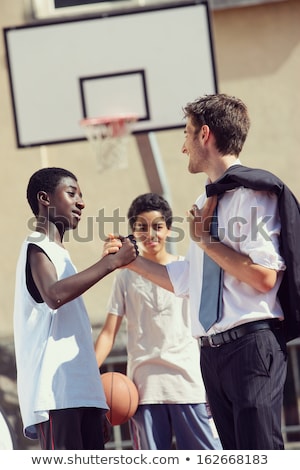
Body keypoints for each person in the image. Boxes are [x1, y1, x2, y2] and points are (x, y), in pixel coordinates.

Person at [105, 94, 300, 450]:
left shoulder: (254, 194)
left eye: (186, 134)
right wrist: (129, 259)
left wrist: (206, 242)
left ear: (204, 135)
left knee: (260, 455)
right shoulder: (203, 203)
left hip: (251, 347)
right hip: (211, 355)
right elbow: (186, 280)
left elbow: (264, 277)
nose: (183, 147)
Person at [13, 167, 138, 450]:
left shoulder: (63, 256)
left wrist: (95, 398)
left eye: (81, 195)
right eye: (72, 193)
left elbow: (76, 338)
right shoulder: (36, 246)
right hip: (56, 396)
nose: (81, 202)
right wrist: (111, 264)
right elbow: (54, 295)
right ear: (44, 198)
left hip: (82, 395)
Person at [95, 193, 222, 450]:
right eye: (141, 227)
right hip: (144, 388)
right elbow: (108, 334)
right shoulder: (125, 277)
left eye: (158, 227)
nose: (150, 234)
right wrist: (86, 375)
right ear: (132, 232)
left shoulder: (185, 269)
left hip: (188, 383)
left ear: (169, 230)